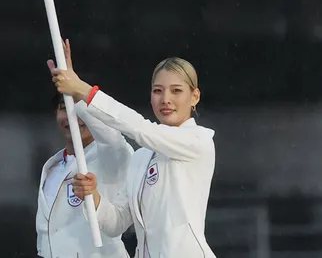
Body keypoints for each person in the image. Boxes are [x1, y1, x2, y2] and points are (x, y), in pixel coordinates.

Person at [51, 41, 216, 258]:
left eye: (176, 91)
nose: (166, 99)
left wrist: (82, 90)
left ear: (194, 96)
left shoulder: (198, 141)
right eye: (158, 91)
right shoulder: (141, 157)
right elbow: (117, 222)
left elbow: (139, 128)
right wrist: (93, 196)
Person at [36, 40, 134, 258]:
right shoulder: (53, 167)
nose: (72, 116)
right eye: (64, 107)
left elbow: (111, 137)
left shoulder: (112, 155)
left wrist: (77, 88)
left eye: (78, 107)